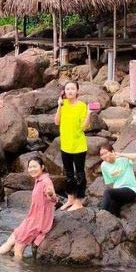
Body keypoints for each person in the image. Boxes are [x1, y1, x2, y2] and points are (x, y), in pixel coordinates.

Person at [0, 157, 56, 259]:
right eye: (30, 167)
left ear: (42, 167)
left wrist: (51, 194)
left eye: (35, 166)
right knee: (11, 239)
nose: (32, 169)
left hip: (38, 221)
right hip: (32, 218)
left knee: (18, 249)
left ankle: (17, 268)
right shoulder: (38, 180)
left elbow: (54, 199)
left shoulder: (46, 181)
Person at [55, 81, 91, 211]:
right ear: (64, 92)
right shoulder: (63, 104)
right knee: (68, 173)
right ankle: (70, 199)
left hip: (79, 146)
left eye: (72, 89)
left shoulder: (82, 106)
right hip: (65, 145)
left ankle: (79, 201)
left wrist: (89, 114)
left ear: (77, 91)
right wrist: (59, 106)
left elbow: (84, 127)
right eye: (67, 89)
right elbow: (56, 122)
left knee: (79, 174)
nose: (70, 91)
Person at [98, 144, 136, 216]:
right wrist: (114, 175)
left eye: (105, 153)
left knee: (107, 192)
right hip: (118, 193)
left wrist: (120, 154)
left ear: (112, 151)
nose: (104, 156)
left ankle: (100, 215)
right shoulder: (104, 165)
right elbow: (109, 181)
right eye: (102, 155)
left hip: (131, 190)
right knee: (110, 207)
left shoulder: (123, 159)